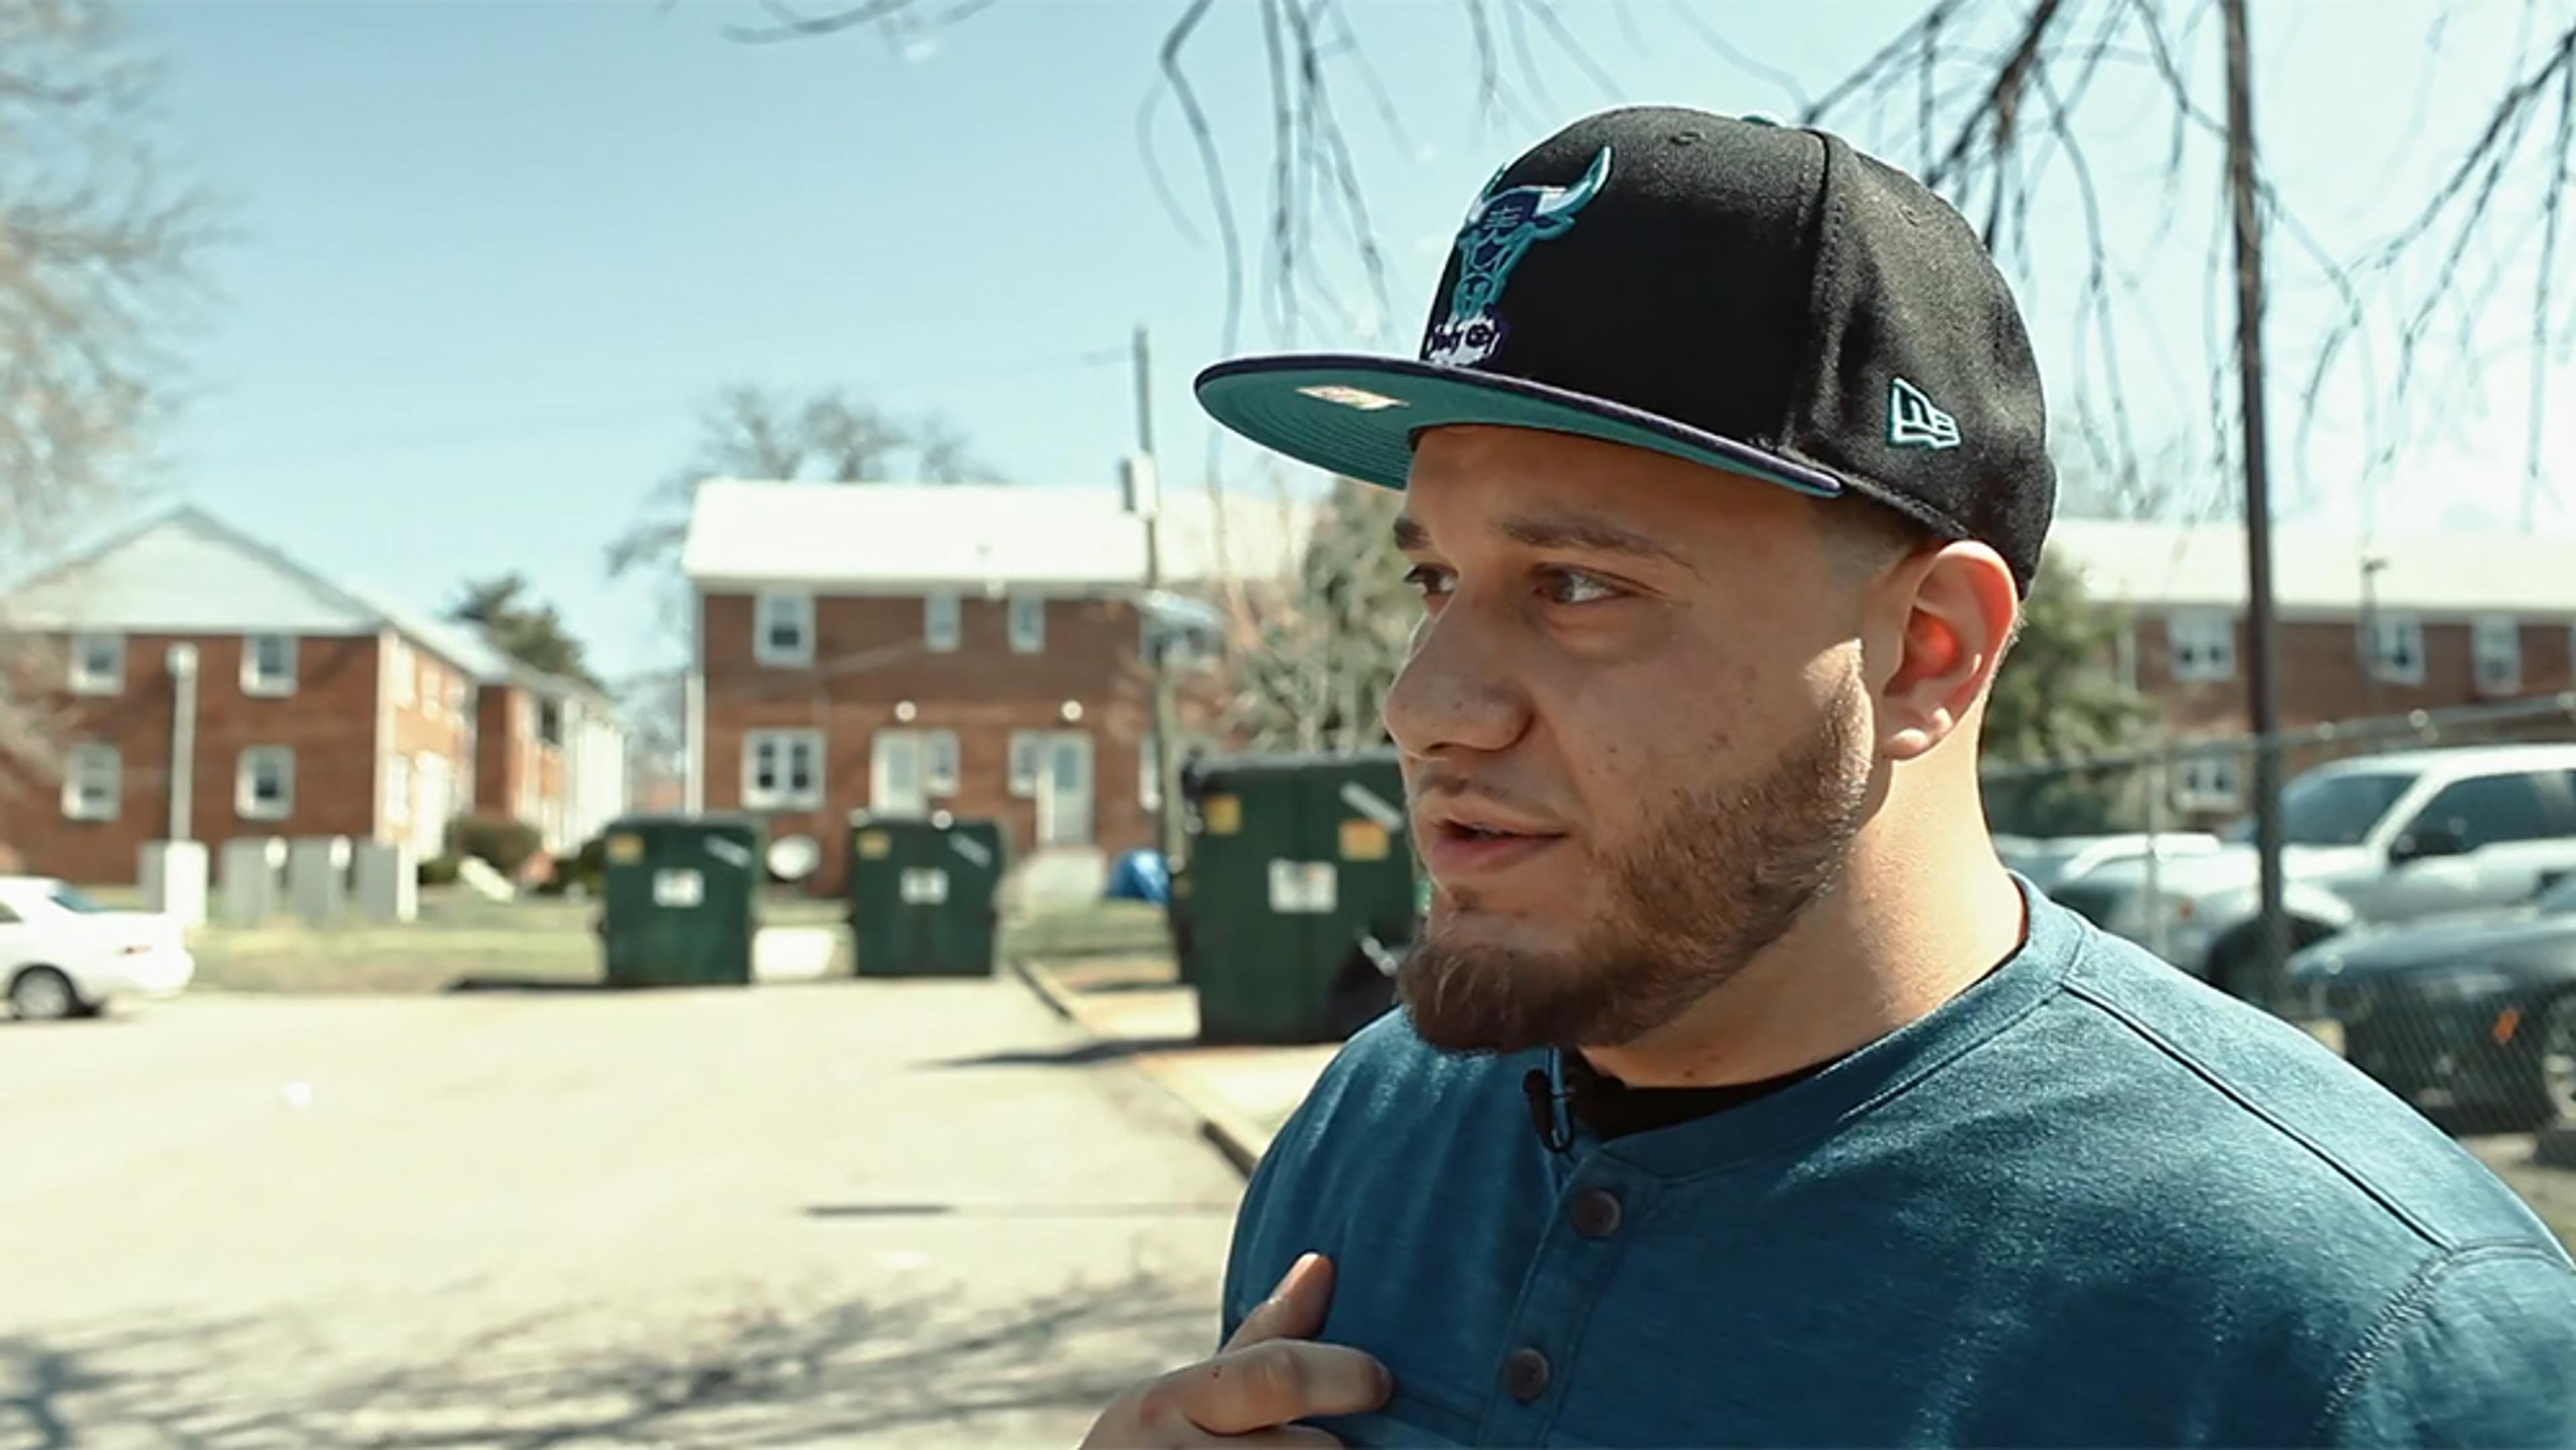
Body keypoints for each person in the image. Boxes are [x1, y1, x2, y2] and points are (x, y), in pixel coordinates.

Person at [1079, 106, 2576, 1449]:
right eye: (1436, 582)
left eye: (1579, 584)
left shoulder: (2361, 1338)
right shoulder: (1375, 1123)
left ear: (1927, 649)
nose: (1423, 708)